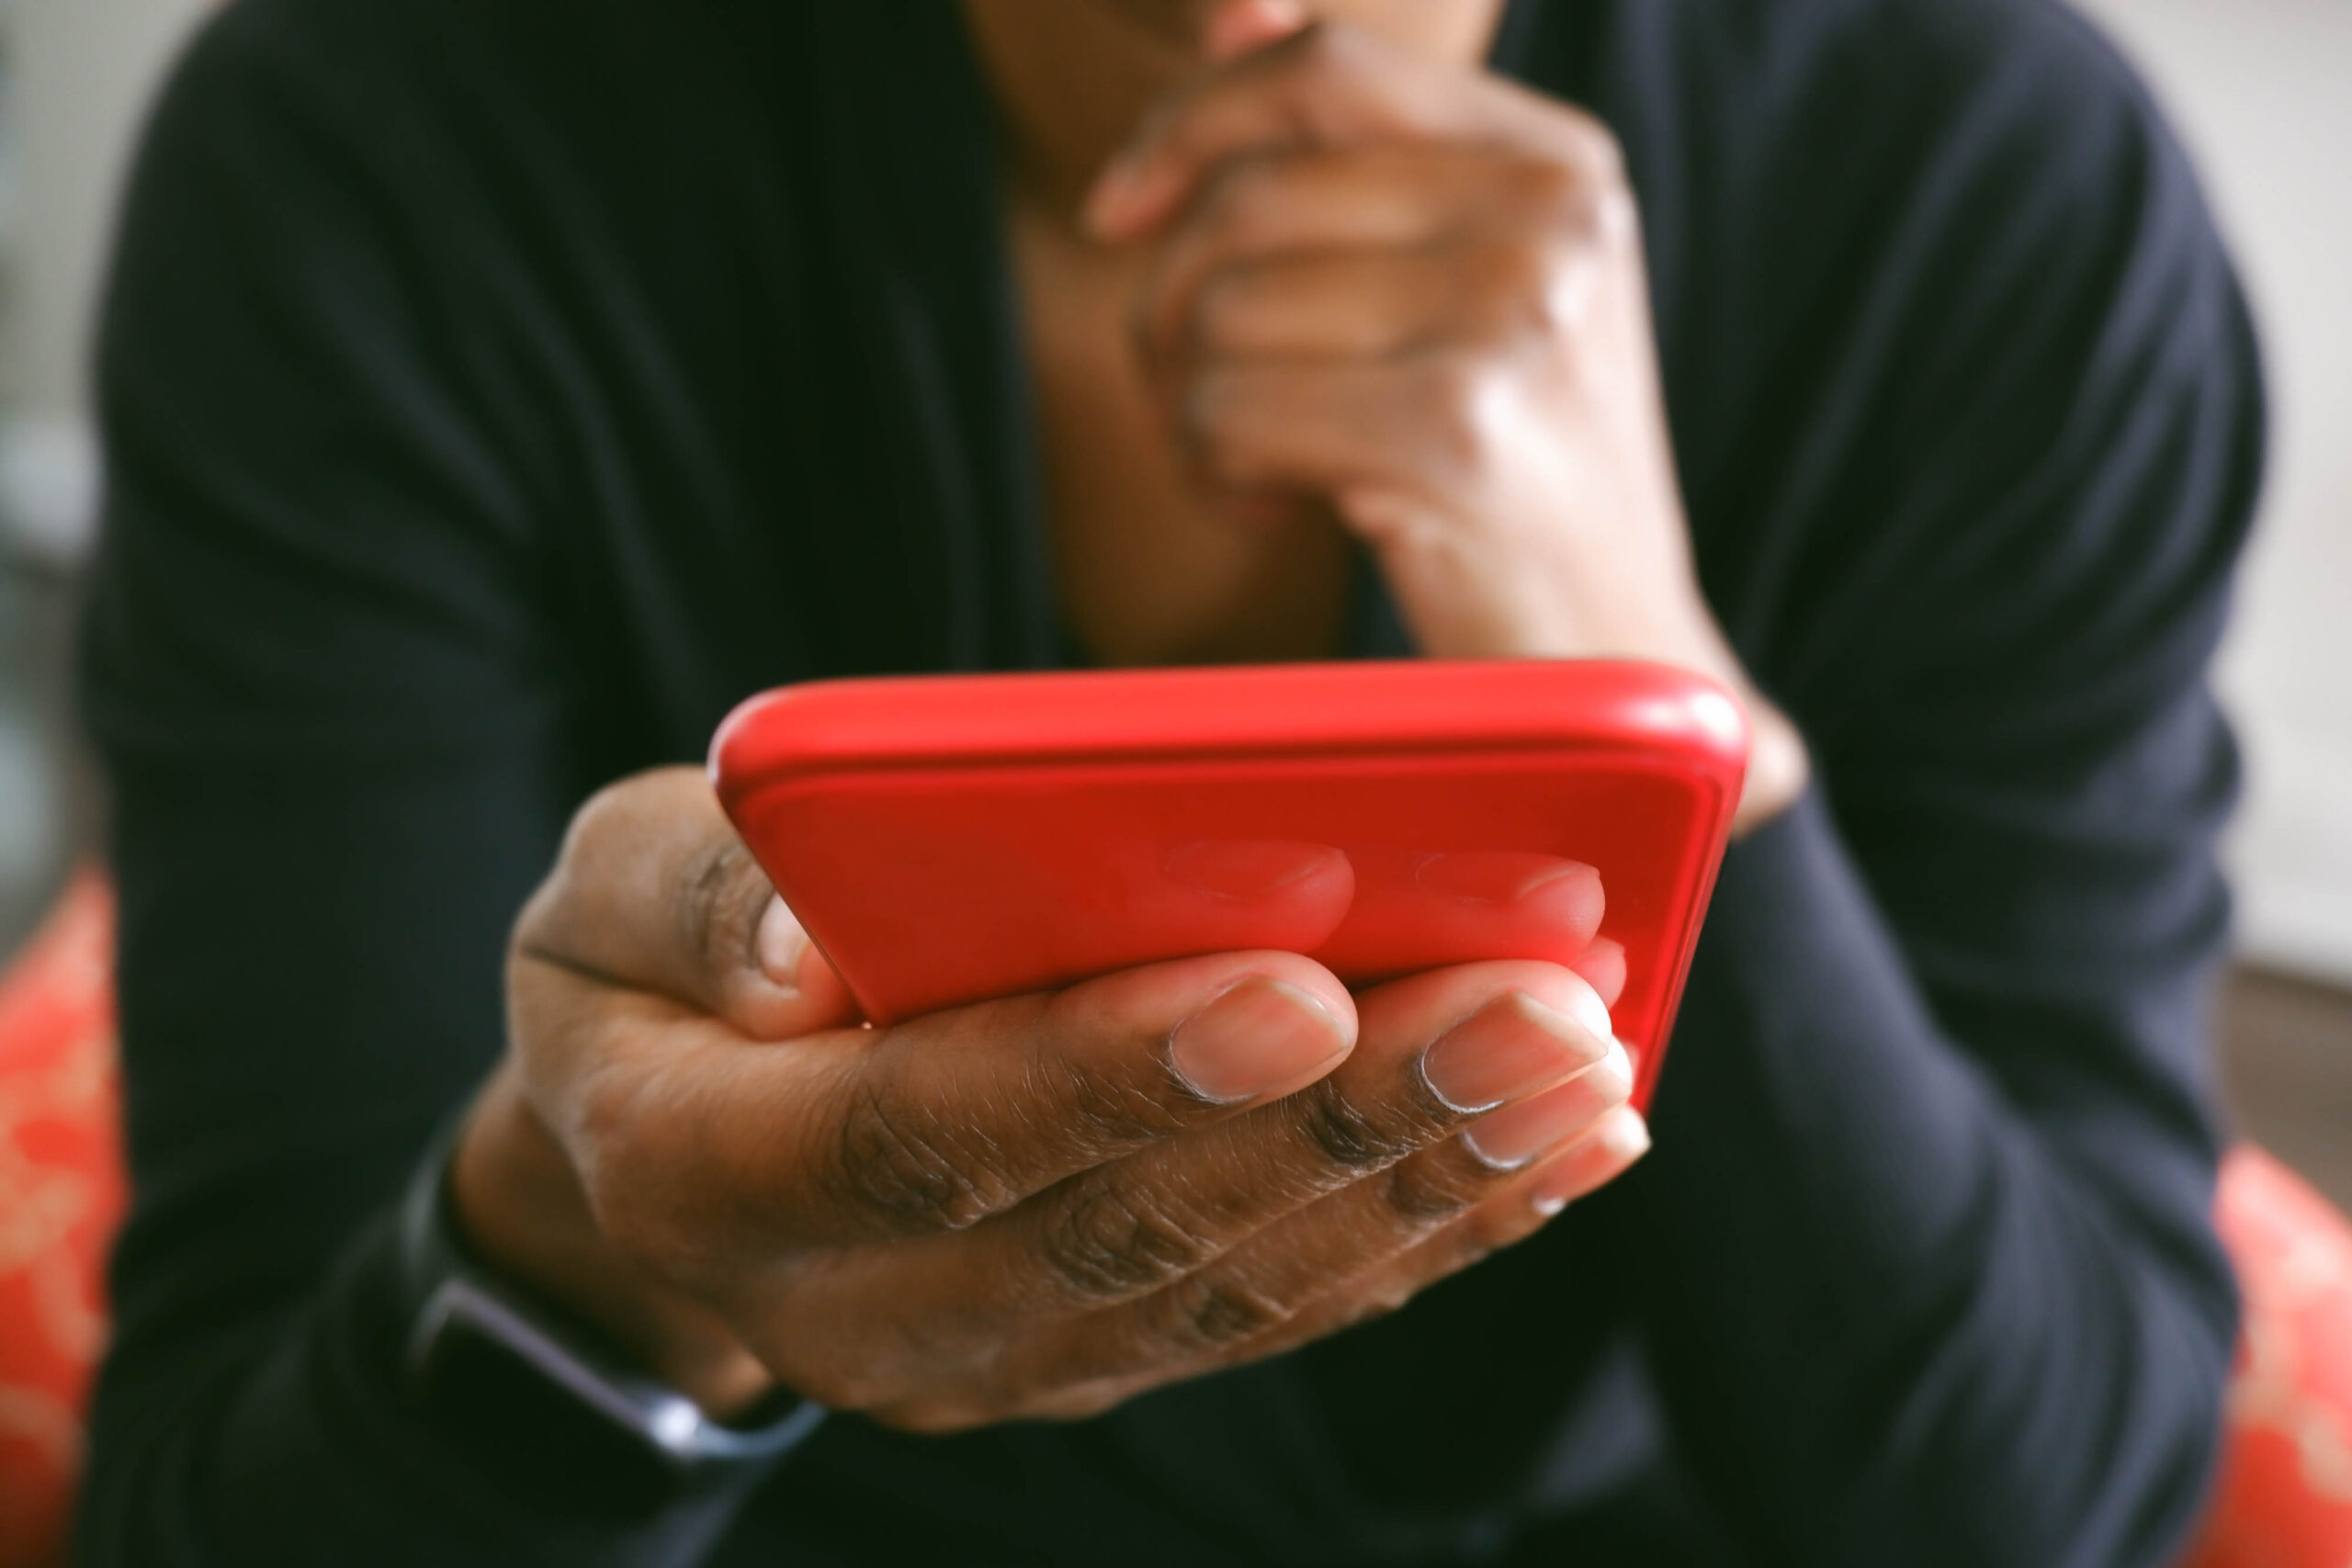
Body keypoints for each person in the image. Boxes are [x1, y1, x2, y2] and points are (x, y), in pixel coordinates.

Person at [74, 0, 2263, 1562]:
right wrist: (600, 1230)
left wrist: (1644, 689)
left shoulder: (1987, 184)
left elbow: (2044, 1490)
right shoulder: (379, 139)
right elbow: (215, 1499)